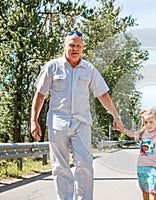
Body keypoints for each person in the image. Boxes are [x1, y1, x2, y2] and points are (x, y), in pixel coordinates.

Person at [30, 31, 123, 200]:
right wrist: (33, 120)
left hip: (81, 123)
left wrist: (115, 115)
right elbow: (40, 94)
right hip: (58, 123)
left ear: (82, 48)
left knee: (85, 164)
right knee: (60, 166)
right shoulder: (52, 67)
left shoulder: (89, 69)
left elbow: (102, 94)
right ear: (64, 46)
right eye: (72, 45)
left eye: (78, 46)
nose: (75, 48)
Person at [117, 109, 156, 200]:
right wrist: (121, 129)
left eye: (151, 122)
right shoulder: (142, 133)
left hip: (153, 167)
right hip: (141, 167)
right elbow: (130, 134)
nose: (148, 124)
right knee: (144, 190)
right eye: (146, 122)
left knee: (153, 191)